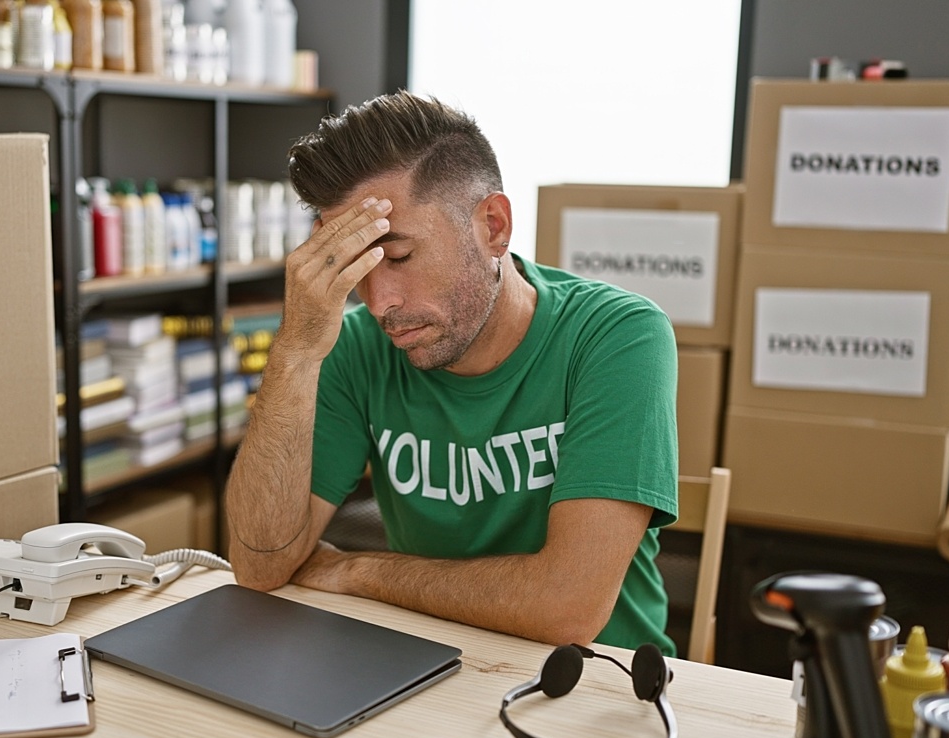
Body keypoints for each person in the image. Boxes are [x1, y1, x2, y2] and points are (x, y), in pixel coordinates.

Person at [224, 91, 679, 653]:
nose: (379, 301)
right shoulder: (356, 346)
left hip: (597, 688)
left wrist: (355, 572)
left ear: (493, 226)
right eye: (355, 268)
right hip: (422, 665)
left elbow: (568, 610)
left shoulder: (618, 335)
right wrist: (295, 349)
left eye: (398, 257)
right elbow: (260, 565)